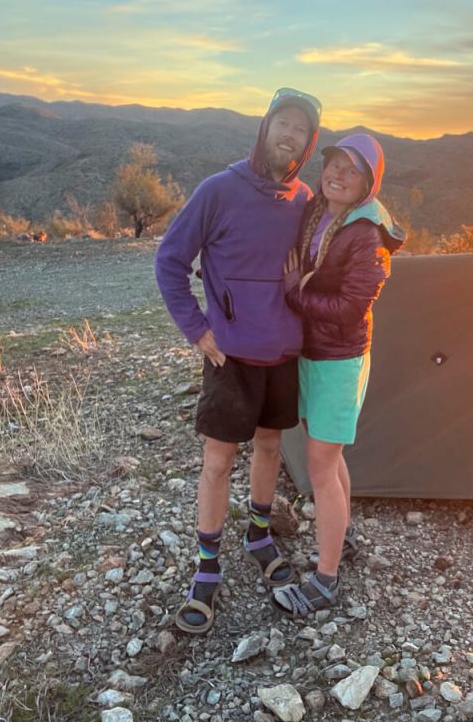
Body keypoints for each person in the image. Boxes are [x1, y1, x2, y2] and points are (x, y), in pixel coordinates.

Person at [155, 87, 322, 634]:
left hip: (282, 353)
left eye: (301, 129)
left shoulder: (305, 202)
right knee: (218, 462)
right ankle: (206, 566)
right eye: (283, 123)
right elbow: (170, 261)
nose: (290, 135)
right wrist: (198, 331)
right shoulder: (218, 191)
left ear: (309, 142)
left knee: (271, 446)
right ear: (265, 127)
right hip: (229, 357)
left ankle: (257, 532)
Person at [272, 133, 405, 618]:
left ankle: (325, 582)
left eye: (352, 170)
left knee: (320, 467)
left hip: (338, 358)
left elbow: (350, 310)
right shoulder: (318, 213)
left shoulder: (368, 235)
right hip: (313, 353)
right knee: (328, 455)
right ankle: (340, 538)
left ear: (369, 182)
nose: (338, 175)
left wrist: (294, 293)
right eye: (333, 163)